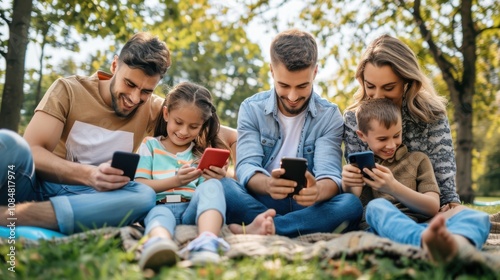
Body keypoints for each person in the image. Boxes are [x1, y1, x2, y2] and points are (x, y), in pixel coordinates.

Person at [0, 32, 236, 236]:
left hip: (98, 201)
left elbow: (216, 130)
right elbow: (33, 151)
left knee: (143, 195)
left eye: (146, 91)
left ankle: (16, 217)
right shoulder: (69, 90)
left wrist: (218, 166)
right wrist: (89, 174)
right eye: (130, 84)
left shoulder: (154, 108)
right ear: (115, 66)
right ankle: (26, 214)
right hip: (41, 187)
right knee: (9, 143)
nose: (135, 98)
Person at [221, 28, 363, 238]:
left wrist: (317, 191)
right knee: (221, 185)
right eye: (284, 85)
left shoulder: (329, 115)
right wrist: (269, 184)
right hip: (263, 197)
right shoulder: (251, 108)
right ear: (272, 71)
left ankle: (270, 227)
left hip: (308, 204)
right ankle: (292, 226)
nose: (293, 96)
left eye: (302, 86)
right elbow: (246, 167)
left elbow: (330, 174)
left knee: (350, 204)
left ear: (314, 73)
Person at [341, 98, 490, 263]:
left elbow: (432, 207)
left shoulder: (419, 160)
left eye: (396, 135)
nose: (391, 145)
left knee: (472, 215)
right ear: (362, 136)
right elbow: (352, 202)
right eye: (382, 139)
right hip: (385, 229)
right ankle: (424, 244)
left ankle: (457, 247)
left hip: (423, 224)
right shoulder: (363, 167)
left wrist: (393, 187)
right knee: (376, 207)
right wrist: (348, 182)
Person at [343, 34, 461, 210]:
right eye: (370, 86)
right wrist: (348, 181)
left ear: (407, 81)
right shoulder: (355, 118)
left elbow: (445, 184)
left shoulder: (431, 114)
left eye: (389, 88)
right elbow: (356, 186)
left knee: (463, 217)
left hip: (425, 207)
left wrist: (449, 204)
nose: (377, 96)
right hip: (375, 209)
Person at [135, 82, 231, 270]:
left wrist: (215, 178)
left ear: (202, 125)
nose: (184, 131)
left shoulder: (200, 154)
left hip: (190, 209)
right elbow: (140, 185)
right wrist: (176, 181)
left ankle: (207, 241)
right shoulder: (150, 146)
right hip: (160, 205)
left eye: (193, 126)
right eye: (178, 122)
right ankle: (159, 245)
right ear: (166, 114)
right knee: (158, 216)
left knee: (214, 187)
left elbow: (205, 192)